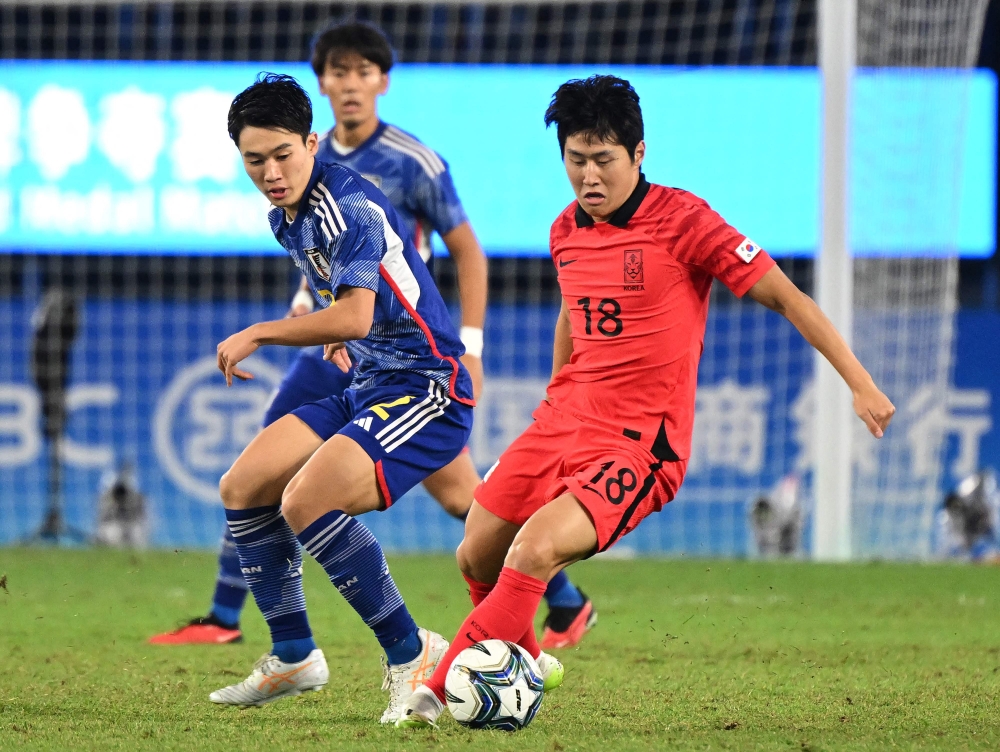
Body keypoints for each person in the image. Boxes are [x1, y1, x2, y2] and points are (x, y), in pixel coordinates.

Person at [395, 74, 897, 727]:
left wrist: (860, 382)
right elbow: (574, 315)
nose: (588, 176)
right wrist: (555, 400)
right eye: (576, 161)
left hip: (640, 442)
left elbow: (787, 297)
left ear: (638, 154)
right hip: (565, 421)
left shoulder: (686, 222)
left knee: (535, 551)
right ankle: (527, 658)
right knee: (476, 551)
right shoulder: (565, 230)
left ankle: (434, 694)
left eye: (603, 160)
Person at [149, 22, 595, 653]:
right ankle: (236, 620)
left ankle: (541, 601)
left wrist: (471, 341)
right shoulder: (291, 167)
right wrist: (330, 327)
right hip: (341, 345)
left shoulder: (409, 163)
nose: (350, 84)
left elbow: (465, 251)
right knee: (258, 473)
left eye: (363, 72)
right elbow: (324, 276)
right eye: (338, 71)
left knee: (453, 491)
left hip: (405, 348)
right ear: (323, 83)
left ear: (381, 82)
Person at [206, 72, 480, 722]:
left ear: (311, 141)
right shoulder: (288, 216)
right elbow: (361, 311)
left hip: (428, 387)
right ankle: (295, 652)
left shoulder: (346, 204)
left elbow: (355, 314)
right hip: (368, 384)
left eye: (282, 155)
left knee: (308, 499)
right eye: (254, 160)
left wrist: (262, 332)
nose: (271, 172)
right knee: (243, 485)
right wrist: (343, 338)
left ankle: (412, 651)